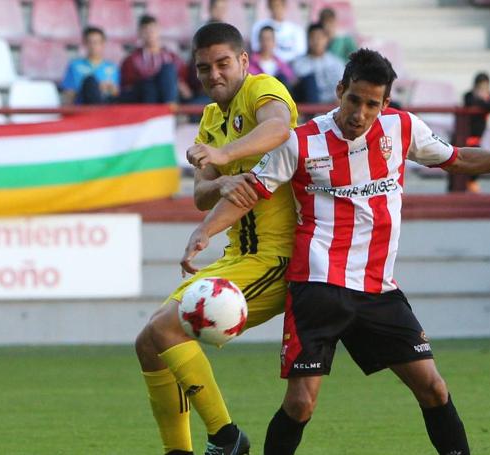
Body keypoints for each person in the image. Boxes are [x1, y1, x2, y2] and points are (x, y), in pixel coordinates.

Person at [180, 48, 490, 455]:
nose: (360, 113)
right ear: (340, 90)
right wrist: (204, 231)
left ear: (385, 103)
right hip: (317, 287)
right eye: (354, 100)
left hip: (378, 289)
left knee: (433, 388)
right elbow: (249, 193)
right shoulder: (301, 142)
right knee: (300, 403)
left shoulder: (402, 129)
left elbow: (458, 158)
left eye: (372, 105)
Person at [134, 22, 299, 455]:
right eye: (204, 68)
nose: (214, 75)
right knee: (149, 343)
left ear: (243, 61)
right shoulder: (210, 117)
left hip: (274, 259)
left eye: (223, 63)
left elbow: (280, 129)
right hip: (235, 257)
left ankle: (228, 439)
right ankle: (179, 451)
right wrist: (221, 184)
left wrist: (225, 156)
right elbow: (200, 194)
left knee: (168, 329)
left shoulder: (263, 89)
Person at [120, 15, 191, 104]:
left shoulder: (172, 57)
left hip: (170, 93)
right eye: (145, 31)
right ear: (139, 33)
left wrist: (180, 84)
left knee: (168, 70)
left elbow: (183, 82)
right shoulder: (131, 61)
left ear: (159, 31)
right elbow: (128, 86)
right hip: (145, 95)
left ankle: (168, 107)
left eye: (152, 30)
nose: (150, 34)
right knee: (149, 86)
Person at [460, 72, 490, 193]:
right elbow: (469, 102)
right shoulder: (469, 96)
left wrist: (485, 101)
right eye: (480, 88)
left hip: (477, 138)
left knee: (477, 163)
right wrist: (483, 101)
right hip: (464, 137)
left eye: (485, 88)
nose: (482, 91)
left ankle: (470, 186)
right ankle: (464, 188)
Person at [61, 27, 120, 105]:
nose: (93, 46)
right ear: (85, 44)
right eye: (90, 42)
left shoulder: (113, 68)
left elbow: (117, 93)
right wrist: (94, 88)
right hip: (83, 108)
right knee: (90, 81)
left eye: (96, 42)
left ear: (103, 44)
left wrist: (112, 90)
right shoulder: (75, 66)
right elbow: (68, 95)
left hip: (107, 108)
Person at [290, 23, 345, 104]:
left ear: (326, 39)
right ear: (307, 40)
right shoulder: (298, 65)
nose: (316, 41)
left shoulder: (337, 63)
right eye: (312, 38)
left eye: (319, 37)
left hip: (333, 107)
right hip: (309, 109)